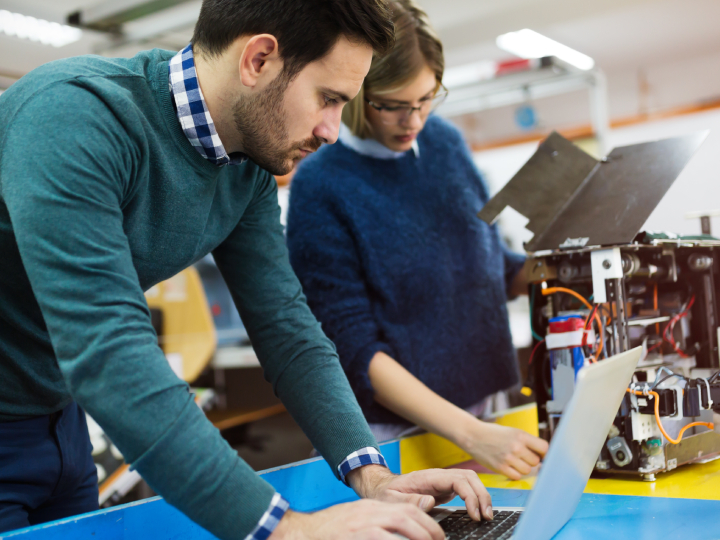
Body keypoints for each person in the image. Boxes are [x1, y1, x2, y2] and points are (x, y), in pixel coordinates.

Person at [0, 1, 494, 539]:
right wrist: (287, 530)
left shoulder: (246, 168)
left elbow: (288, 328)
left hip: (60, 423)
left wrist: (372, 476)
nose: (332, 131)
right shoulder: (74, 116)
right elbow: (109, 349)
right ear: (259, 59)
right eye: (328, 99)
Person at [287, 0, 549, 482]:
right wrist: (471, 434)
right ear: (356, 91)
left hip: (487, 417)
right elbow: (354, 351)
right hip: (394, 439)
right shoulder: (321, 185)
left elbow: (492, 265)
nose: (413, 121)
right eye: (392, 105)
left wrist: (560, 252)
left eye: (426, 99)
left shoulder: (445, 143)